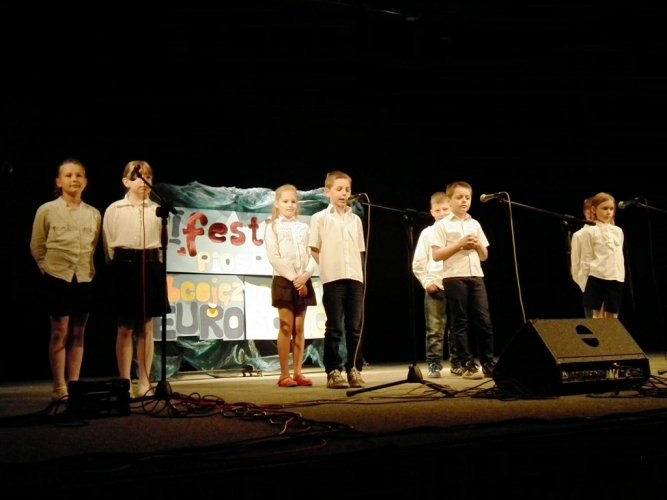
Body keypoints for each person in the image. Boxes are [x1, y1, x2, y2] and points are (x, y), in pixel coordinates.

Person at [30, 158, 102, 401]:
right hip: (57, 278)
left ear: (86, 181)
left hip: (84, 277)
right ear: (59, 182)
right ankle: (59, 386)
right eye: (68, 175)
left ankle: (75, 385)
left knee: (79, 333)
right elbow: (37, 246)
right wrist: (48, 270)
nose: (74, 179)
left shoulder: (94, 213)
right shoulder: (47, 210)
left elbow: (93, 246)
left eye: (79, 175)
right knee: (59, 332)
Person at [102, 160, 169, 398]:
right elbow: (108, 246)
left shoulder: (157, 210)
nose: (144, 181)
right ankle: (125, 382)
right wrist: (119, 267)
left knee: (147, 325)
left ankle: (144, 381)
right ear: (126, 182)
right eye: (138, 177)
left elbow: (162, 245)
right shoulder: (115, 209)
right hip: (124, 266)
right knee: (125, 326)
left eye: (148, 176)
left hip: (149, 265)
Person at [431, 181, 495, 379]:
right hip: (454, 276)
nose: (464, 201)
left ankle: (488, 362)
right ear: (449, 200)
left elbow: (484, 256)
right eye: (459, 197)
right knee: (460, 322)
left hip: (475, 275)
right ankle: (467, 363)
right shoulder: (442, 225)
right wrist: (459, 244)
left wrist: (477, 245)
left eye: (467, 197)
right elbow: (436, 255)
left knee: (484, 321)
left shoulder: (474, 224)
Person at [309, 170, 366, 389]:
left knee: (354, 327)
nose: (344, 193)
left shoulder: (355, 220)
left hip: (355, 277)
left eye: (347, 189)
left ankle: (354, 369)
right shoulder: (320, 218)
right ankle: (333, 370)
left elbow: (359, 250)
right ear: (328, 191)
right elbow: (314, 248)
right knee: (334, 326)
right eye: (339, 189)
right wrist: (328, 265)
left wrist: (358, 273)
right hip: (333, 278)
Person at [264, 184, 318, 387]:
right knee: (286, 326)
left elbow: (313, 254)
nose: (290, 205)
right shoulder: (272, 227)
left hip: (303, 279)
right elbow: (274, 256)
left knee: (300, 327)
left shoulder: (304, 228)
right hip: (284, 280)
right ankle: (284, 374)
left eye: (293, 201)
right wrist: (295, 278)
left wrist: (305, 275)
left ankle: (298, 373)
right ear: (277, 204)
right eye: (285, 201)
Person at [412, 192, 451, 378]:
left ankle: (459, 362)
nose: (442, 213)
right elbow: (418, 263)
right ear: (432, 212)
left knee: (459, 327)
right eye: (438, 210)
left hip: (456, 283)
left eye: (445, 209)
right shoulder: (427, 233)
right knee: (435, 328)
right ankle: (434, 364)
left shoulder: (457, 231)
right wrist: (427, 282)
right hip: (436, 285)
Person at [577, 192, 625, 318]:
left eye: (611, 209)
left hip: (616, 277)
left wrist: (620, 274)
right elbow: (586, 258)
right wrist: (586, 284)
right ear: (594, 209)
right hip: (597, 278)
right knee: (597, 319)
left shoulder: (618, 231)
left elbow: (618, 255)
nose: (608, 212)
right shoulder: (590, 231)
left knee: (612, 317)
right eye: (604, 208)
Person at [570, 197, 595, 318]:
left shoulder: (611, 233)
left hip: (610, 288)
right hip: (592, 289)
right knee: (596, 326)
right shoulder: (579, 235)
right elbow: (575, 267)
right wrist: (586, 287)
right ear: (588, 212)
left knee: (611, 327)